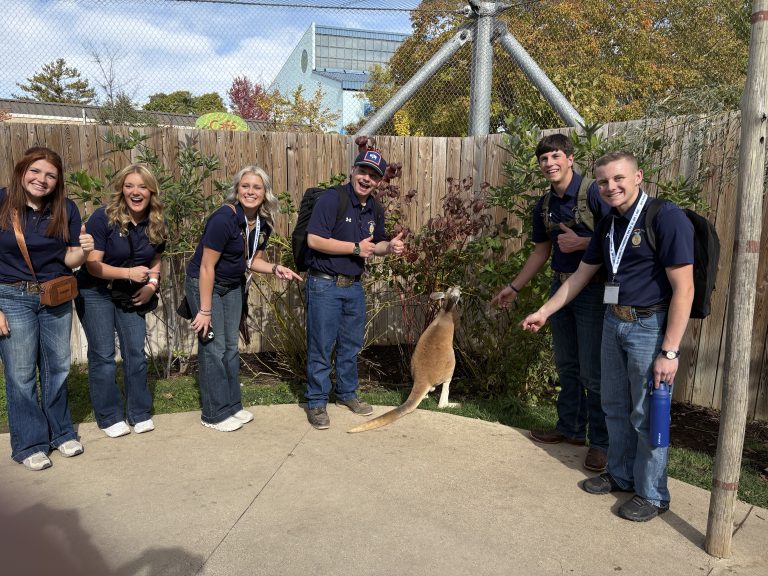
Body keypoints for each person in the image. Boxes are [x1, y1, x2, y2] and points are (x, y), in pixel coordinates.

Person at [522, 151, 694, 522]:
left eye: (618, 179)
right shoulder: (609, 225)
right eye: (603, 181)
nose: (610, 187)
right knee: (614, 406)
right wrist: (544, 311)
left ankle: (652, 494)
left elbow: (685, 289)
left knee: (645, 413)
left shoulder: (666, 217)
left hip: (649, 326)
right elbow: (581, 277)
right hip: (612, 321)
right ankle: (620, 474)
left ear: (638, 177)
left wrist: (670, 351)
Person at [491, 133, 611, 472]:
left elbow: (616, 239)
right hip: (559, 290)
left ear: (570, 158)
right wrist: (514, 287)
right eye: (544, 159)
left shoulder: (594, 193)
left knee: (593, 371)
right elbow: (541, 252)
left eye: (555, 156)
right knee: (567, 366)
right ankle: (571, 429)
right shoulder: (544, 205)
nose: (549, 163)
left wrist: (583, 243)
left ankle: (601, 443)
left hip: (593, 292)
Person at [186, 165, 301, 432]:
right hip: (206, 284)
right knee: (213, 348)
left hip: (232, 285)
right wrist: (204, 311)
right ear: (237, 190)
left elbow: (253, 261)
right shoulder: (223, 219)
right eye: (245, 186)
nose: (250, 191)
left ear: (265, 193)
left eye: (256, 187)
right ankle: (213, 414)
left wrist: (275, 268)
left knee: (230, 348)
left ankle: (231, 406)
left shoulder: (262, 224)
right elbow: (206, 267)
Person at [0, 146, 94, 471]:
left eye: (50, 175)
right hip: (11, 297)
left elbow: (68, 259)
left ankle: (61, 432)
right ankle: (29, 442)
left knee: (58, 367)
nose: (42, 179)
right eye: (36, 171)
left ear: (58, 181)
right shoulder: (2, 202)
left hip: (55, 294)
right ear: (22, 171)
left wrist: (83, 252)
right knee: (21, 374)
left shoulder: (65, 209)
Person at [303, 149, 405, 429]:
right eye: (363, 171)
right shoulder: (332, 199)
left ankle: (347, 394)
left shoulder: (375, 208)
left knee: (350, 346)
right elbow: (314, 240)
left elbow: (378, 245)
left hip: (353, 288)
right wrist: (356, 248)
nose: (366, 178)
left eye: (373, 175)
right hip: (324, 284)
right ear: (353, 170)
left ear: (379, 181)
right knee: (321, 347)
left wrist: (390, 248)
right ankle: (316, 401)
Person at [75, 164, 166, 438]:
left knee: (135, 353)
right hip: (95, 291)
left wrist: (151, 285)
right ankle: (110, 416)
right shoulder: (103, 218)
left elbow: (156, 258)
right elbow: (93, 265)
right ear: (121, 189)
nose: (135, 192)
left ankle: (138, 413)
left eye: (141, 186)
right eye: (129, 186)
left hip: (130, 293)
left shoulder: (157, 221)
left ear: (151, 191)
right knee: (103, 355)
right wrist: (128, 272)